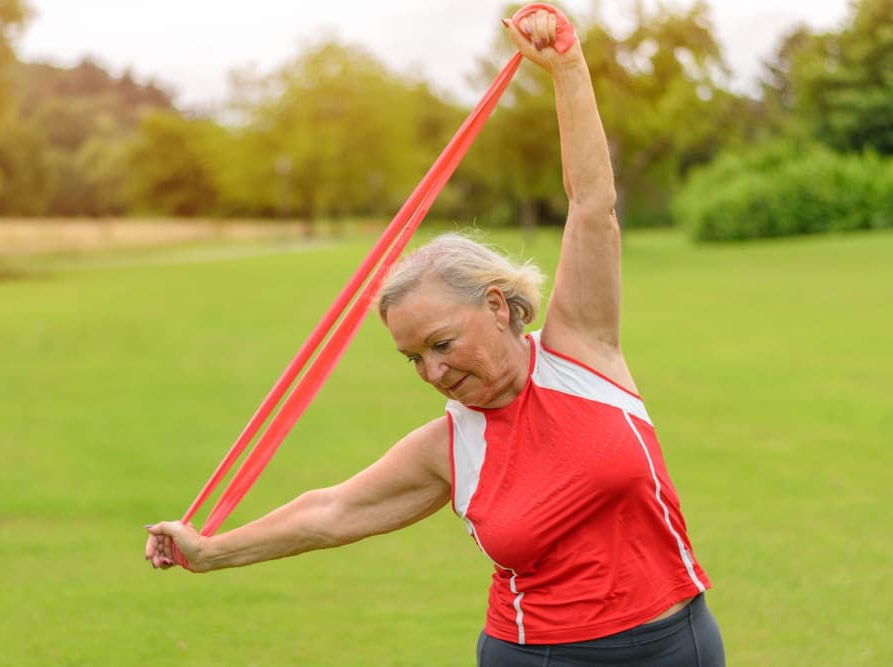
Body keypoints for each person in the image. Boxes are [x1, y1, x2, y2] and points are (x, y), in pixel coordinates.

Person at [145, 9, 726, 666]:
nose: (432, 371)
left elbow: (591, 204)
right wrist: (211, 549)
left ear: (499, 306)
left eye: (442, 343)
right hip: (539, 656)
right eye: (412, 358)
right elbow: (331, 511)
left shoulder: (582, 351)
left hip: (678, 644)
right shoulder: (450, 448)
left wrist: (566, 68)